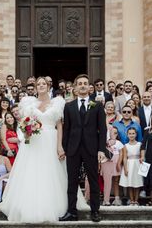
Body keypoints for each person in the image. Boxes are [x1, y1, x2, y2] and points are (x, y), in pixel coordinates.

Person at [0, 77, 81, 222]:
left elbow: (60, 126)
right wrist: (27, 132)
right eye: (39, 84)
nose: (41, 86)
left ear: (49, 86)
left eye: (44, 83)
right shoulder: (29, 104)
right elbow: (25, 124)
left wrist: (59, 145)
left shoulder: (57, 103)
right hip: (33, 142)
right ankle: (29, 206)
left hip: (51, 140)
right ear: (36, 87)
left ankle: (57, 205)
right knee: (32, 172)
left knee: (51, 172)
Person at [60, 73, 107, 223]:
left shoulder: (98, 105)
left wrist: (101, 150)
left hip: (91, 149)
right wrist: (64, 148)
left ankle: (95, 211)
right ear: (75, 87)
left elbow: (102, 129)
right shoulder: (68, 106)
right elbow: (66, 130)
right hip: (73, 149)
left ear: (89, 87)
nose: (82, 85)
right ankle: (72, 212)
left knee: (93, 181)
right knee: (72, 182)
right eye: (79, 83)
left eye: (85, 83)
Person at [118, 127, 143, 206]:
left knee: (137, 183)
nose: (131, 135)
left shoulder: (139, 144)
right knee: (130, 183)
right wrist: (125, 168)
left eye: (133, 133)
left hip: (137, 164)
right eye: (130, 134)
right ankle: (131, 200)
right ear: (127, 135)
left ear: (136, 134)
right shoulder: (125, 145)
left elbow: (142, 155)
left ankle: (136, 200)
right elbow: (125, 157)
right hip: (129, 164)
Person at [101, 126, 123, 206]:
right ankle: (105, 199)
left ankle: (111, 199)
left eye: (115, 133)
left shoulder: (117, 142)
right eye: (112, 132)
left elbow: (121, 153)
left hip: (112, 162)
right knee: (106, 180)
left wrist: (119, 163)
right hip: (103, 161)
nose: (114, 134)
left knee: (112, 180)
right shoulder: (104, 141)